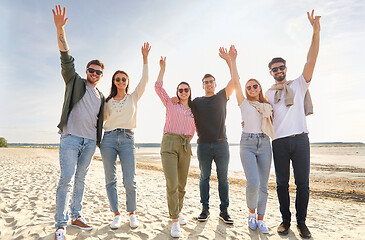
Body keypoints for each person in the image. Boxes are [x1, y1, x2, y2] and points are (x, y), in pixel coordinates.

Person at [265, 10, 321, 239]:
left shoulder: (298, 84)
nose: (278, 71)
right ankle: (285, 220)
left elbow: (312, 59)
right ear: (270, 72)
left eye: (281, 68)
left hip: (300, 139)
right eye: (274, 69)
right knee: (281, 185)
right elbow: (258, 112)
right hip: (278, 142)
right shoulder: (267, 94)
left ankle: (301, 222)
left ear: (286, 69)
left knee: (303, 184)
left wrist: (315, 31)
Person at [52, 5, 105, 240]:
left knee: (81, 180)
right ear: (86, 70)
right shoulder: (75, 81)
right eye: (91, 70)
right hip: (70, 138)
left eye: (98, 72)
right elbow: (65, 57)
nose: (94, 74)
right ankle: (60, 224)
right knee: (66, 179)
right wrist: (60, 29)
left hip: (90, 143)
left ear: (102, 75)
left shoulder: (102, 96)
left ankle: (76, 215)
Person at [100, 42, 150, 230]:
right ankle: (116, 214)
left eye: (124, 79)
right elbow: (98, 120)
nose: (121, 82)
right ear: (114, 82)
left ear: (127, 82)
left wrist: (145, 59)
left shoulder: (133, 97)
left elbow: (145, 80)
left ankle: (132, 214)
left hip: (128, 139)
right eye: (118, 79)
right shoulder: (107, 101)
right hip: (109, 140)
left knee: (129, 179)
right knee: (110, 179)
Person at [228, 45, 275, 234]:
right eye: (249, 87)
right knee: (253, 183)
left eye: (255, 86)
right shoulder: (244, 102)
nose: (252, 88)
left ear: (260, 88)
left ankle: (261, 219)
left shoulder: (267, 105)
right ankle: (251, 214)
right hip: (247, 143)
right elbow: (236, 82)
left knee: (264, 185)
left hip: (264, 143)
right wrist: (233, 60)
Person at [190, 47, 235, 224]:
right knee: (204, 178)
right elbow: (183, 106)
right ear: (202, 85)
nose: (209, 84)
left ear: (215, 84)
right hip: (203, 145)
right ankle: (205, 209)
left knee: (223, 178)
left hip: (222, 144)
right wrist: (176, 98)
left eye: (211, 82)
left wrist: (228, 61)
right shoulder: (197, 102)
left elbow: (235, 80)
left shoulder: (221, 97)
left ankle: (224, 211)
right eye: (206, 82)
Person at [154, 56, 196, 238]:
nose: (183, 92)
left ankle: (177, 211)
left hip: (186, 146)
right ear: (177, 92)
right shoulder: (171, 103)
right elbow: (157, 87)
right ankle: (174, 221)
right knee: (171, 182)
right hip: (169, 143)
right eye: (180, 90)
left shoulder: (195, 110)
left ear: (190, 92)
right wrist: (162, 68)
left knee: (182, 184)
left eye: (186, 89)